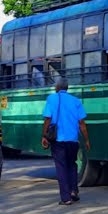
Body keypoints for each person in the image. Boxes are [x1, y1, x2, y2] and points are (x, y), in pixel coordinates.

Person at [41, 76, 90, 205]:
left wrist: (44, 136)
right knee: (72, 165)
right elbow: (82, 123)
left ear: (57, 87)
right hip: (73, 140)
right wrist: (86, 140)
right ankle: (74, 191)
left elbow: (47, 119)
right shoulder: (76, 101)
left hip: (58, 140)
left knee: (61, 168)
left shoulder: (51, 98)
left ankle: (66, 198)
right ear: (67, 88)